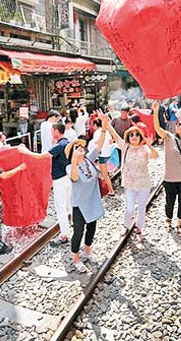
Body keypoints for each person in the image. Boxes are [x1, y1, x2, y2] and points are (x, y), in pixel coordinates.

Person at [65, 112, 107, 273]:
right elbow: (75, 178)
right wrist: (75, 160)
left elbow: (99, 145)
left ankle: (87, 250)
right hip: (79, 204)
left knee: (92, 227)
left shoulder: (89, 159)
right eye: (76, 148)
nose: (80, 149)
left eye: (81, 147)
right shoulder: (70, 167)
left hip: (93, 200)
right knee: (78, 231)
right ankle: (76, 257)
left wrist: (104, 128)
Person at [107, 122, 158, 237]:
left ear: (140, 137)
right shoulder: (125, 147)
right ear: (128, 137)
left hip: (143, 182)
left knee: (141, 207)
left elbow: (155, 156)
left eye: (136, 134)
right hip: (129, 183)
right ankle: (126, 226)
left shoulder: (145, 148)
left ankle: (139, 226)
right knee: (129, 208)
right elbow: (115, 135)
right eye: (131, 135)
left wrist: (150, 146)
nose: (134, 136)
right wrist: (106, 123)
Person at [152, 101, 181, 236]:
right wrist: (156, 111)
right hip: (169, 177)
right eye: (180, 125)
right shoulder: (168, 137)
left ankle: (180, 224)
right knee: (169, 201)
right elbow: (157, 128)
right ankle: (168, 220)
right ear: (176, 126)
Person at [89, 118, 115, 196]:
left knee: (105, 174)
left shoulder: (97, 133)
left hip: (102, 154)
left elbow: (96, 144)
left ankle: (111, 190)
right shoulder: (107, 131)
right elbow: (111, 141)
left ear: (95, 125)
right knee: (106, 172)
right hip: (108, 153)